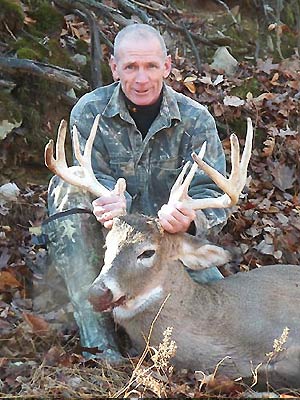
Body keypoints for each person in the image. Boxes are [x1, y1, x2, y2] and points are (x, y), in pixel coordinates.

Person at [42, 23, 228, 362]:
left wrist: (190, 219)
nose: (141, 79)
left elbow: (214, 193)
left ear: (167, 66)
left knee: (217, 307)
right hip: (109, 245)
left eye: (150, 66)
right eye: (130, 67)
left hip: (163, 246)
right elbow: (86, 174)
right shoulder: (89, 112)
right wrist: (103, 200)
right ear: (114, 68)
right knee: (66, 187)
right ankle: (97, 338)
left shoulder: (196, 120)